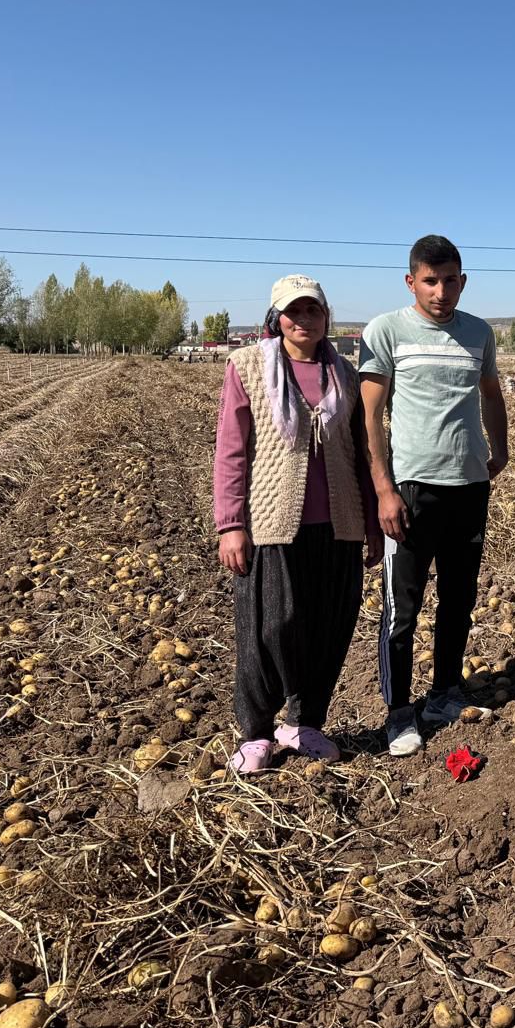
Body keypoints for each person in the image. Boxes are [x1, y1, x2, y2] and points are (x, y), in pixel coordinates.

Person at [213, 275, 382, 774]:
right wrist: (230, 524)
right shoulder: (247, 366)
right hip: (270, 522)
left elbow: (361, 451)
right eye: (293, 311)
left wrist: (370, 522)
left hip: (339, 523)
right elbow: (232, 449)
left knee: (328, 625)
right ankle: (258, 732)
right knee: (269, 627)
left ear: (326, 315)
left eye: (313, 310)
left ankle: (306, 722)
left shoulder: (345, 376)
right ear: (276, 317)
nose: (303, 320)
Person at [360, 235, 508, 757]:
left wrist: (501, 447)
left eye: (450, 280)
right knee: (402, 607)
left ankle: (446, 689)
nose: (441, 291)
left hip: (468, 488)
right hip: (412, 491)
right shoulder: (386, 331)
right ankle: (400, 709)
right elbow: (370, 416)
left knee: (459, 600)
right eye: (430, 280)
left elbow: (490, 393)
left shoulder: (479, 334)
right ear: (411, 282)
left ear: (462, 281)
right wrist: (384, 488)